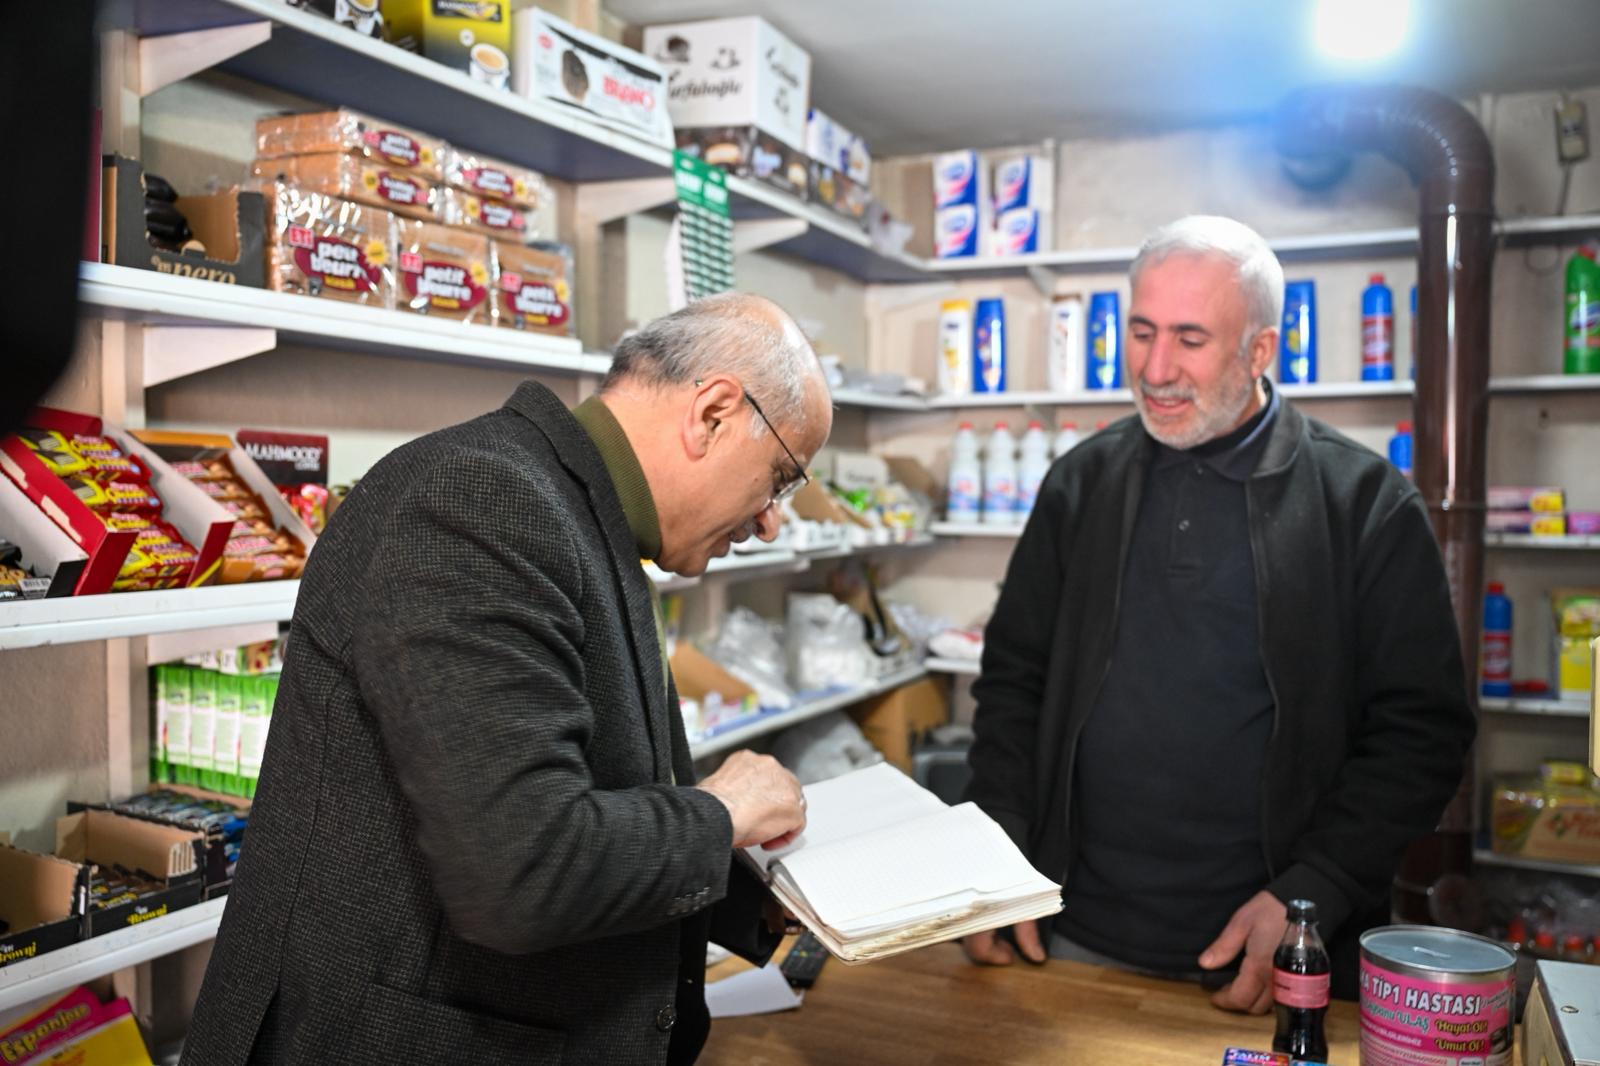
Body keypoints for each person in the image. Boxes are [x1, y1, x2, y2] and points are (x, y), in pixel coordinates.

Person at [182, 293, 833, 1065]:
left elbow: (597, 796)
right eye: (783, 478)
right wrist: (718, 815)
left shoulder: (583, 522)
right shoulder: (481, 502)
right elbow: (522, 868)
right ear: (715, 413)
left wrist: (773, 889)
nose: (771, 522)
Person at [960, 216, 1475, 1011]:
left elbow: (1423, 730)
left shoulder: (1364, 504)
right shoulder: (1079, 484)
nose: (1156, 368)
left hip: (1274, 956)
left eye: (1190, 339)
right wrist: (998, 845)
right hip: (1070, 940)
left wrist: (1316, 888)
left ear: (1260, 350)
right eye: (1142, 331)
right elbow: (1012, 683)